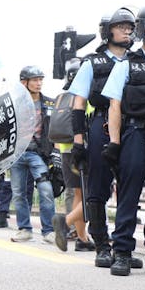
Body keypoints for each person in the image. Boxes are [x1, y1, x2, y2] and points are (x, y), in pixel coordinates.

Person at [67, 8, 143, 270]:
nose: (127, 31)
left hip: (131, 127)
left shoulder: (136, 61)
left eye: (131, 27)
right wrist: (78, 141)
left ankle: (124, 244)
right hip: (100, 125)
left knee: (128, 187)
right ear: (108, 30)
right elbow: (77, 105)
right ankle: (102, 245)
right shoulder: (93, 63)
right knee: (98, 186)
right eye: (121, 26)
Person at [99, 5, 145, 276]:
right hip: (135, 133)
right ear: (143, 30)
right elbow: (114, 106)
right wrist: (115, 142)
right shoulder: (127, 63)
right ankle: (122, 251)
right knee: (128, 193)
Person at [51, 59, 95, 252]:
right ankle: (65, 221)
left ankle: (83, 239)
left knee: (79, 192)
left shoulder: (63, 96)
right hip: (82, 148)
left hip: (65, 149)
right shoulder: (85, 96)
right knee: (93, 194)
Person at [9, 66, 56, 244]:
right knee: (19, 193)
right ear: (24, 82)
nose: (39, 83)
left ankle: (49, 230)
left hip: (39, 154)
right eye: (35, 80)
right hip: (16, 154)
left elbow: (56, 129)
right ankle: (24, 229)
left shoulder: (50, 103)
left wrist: (55, 153)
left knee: (46, 191)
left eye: (40, 79)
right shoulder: (13, 103)